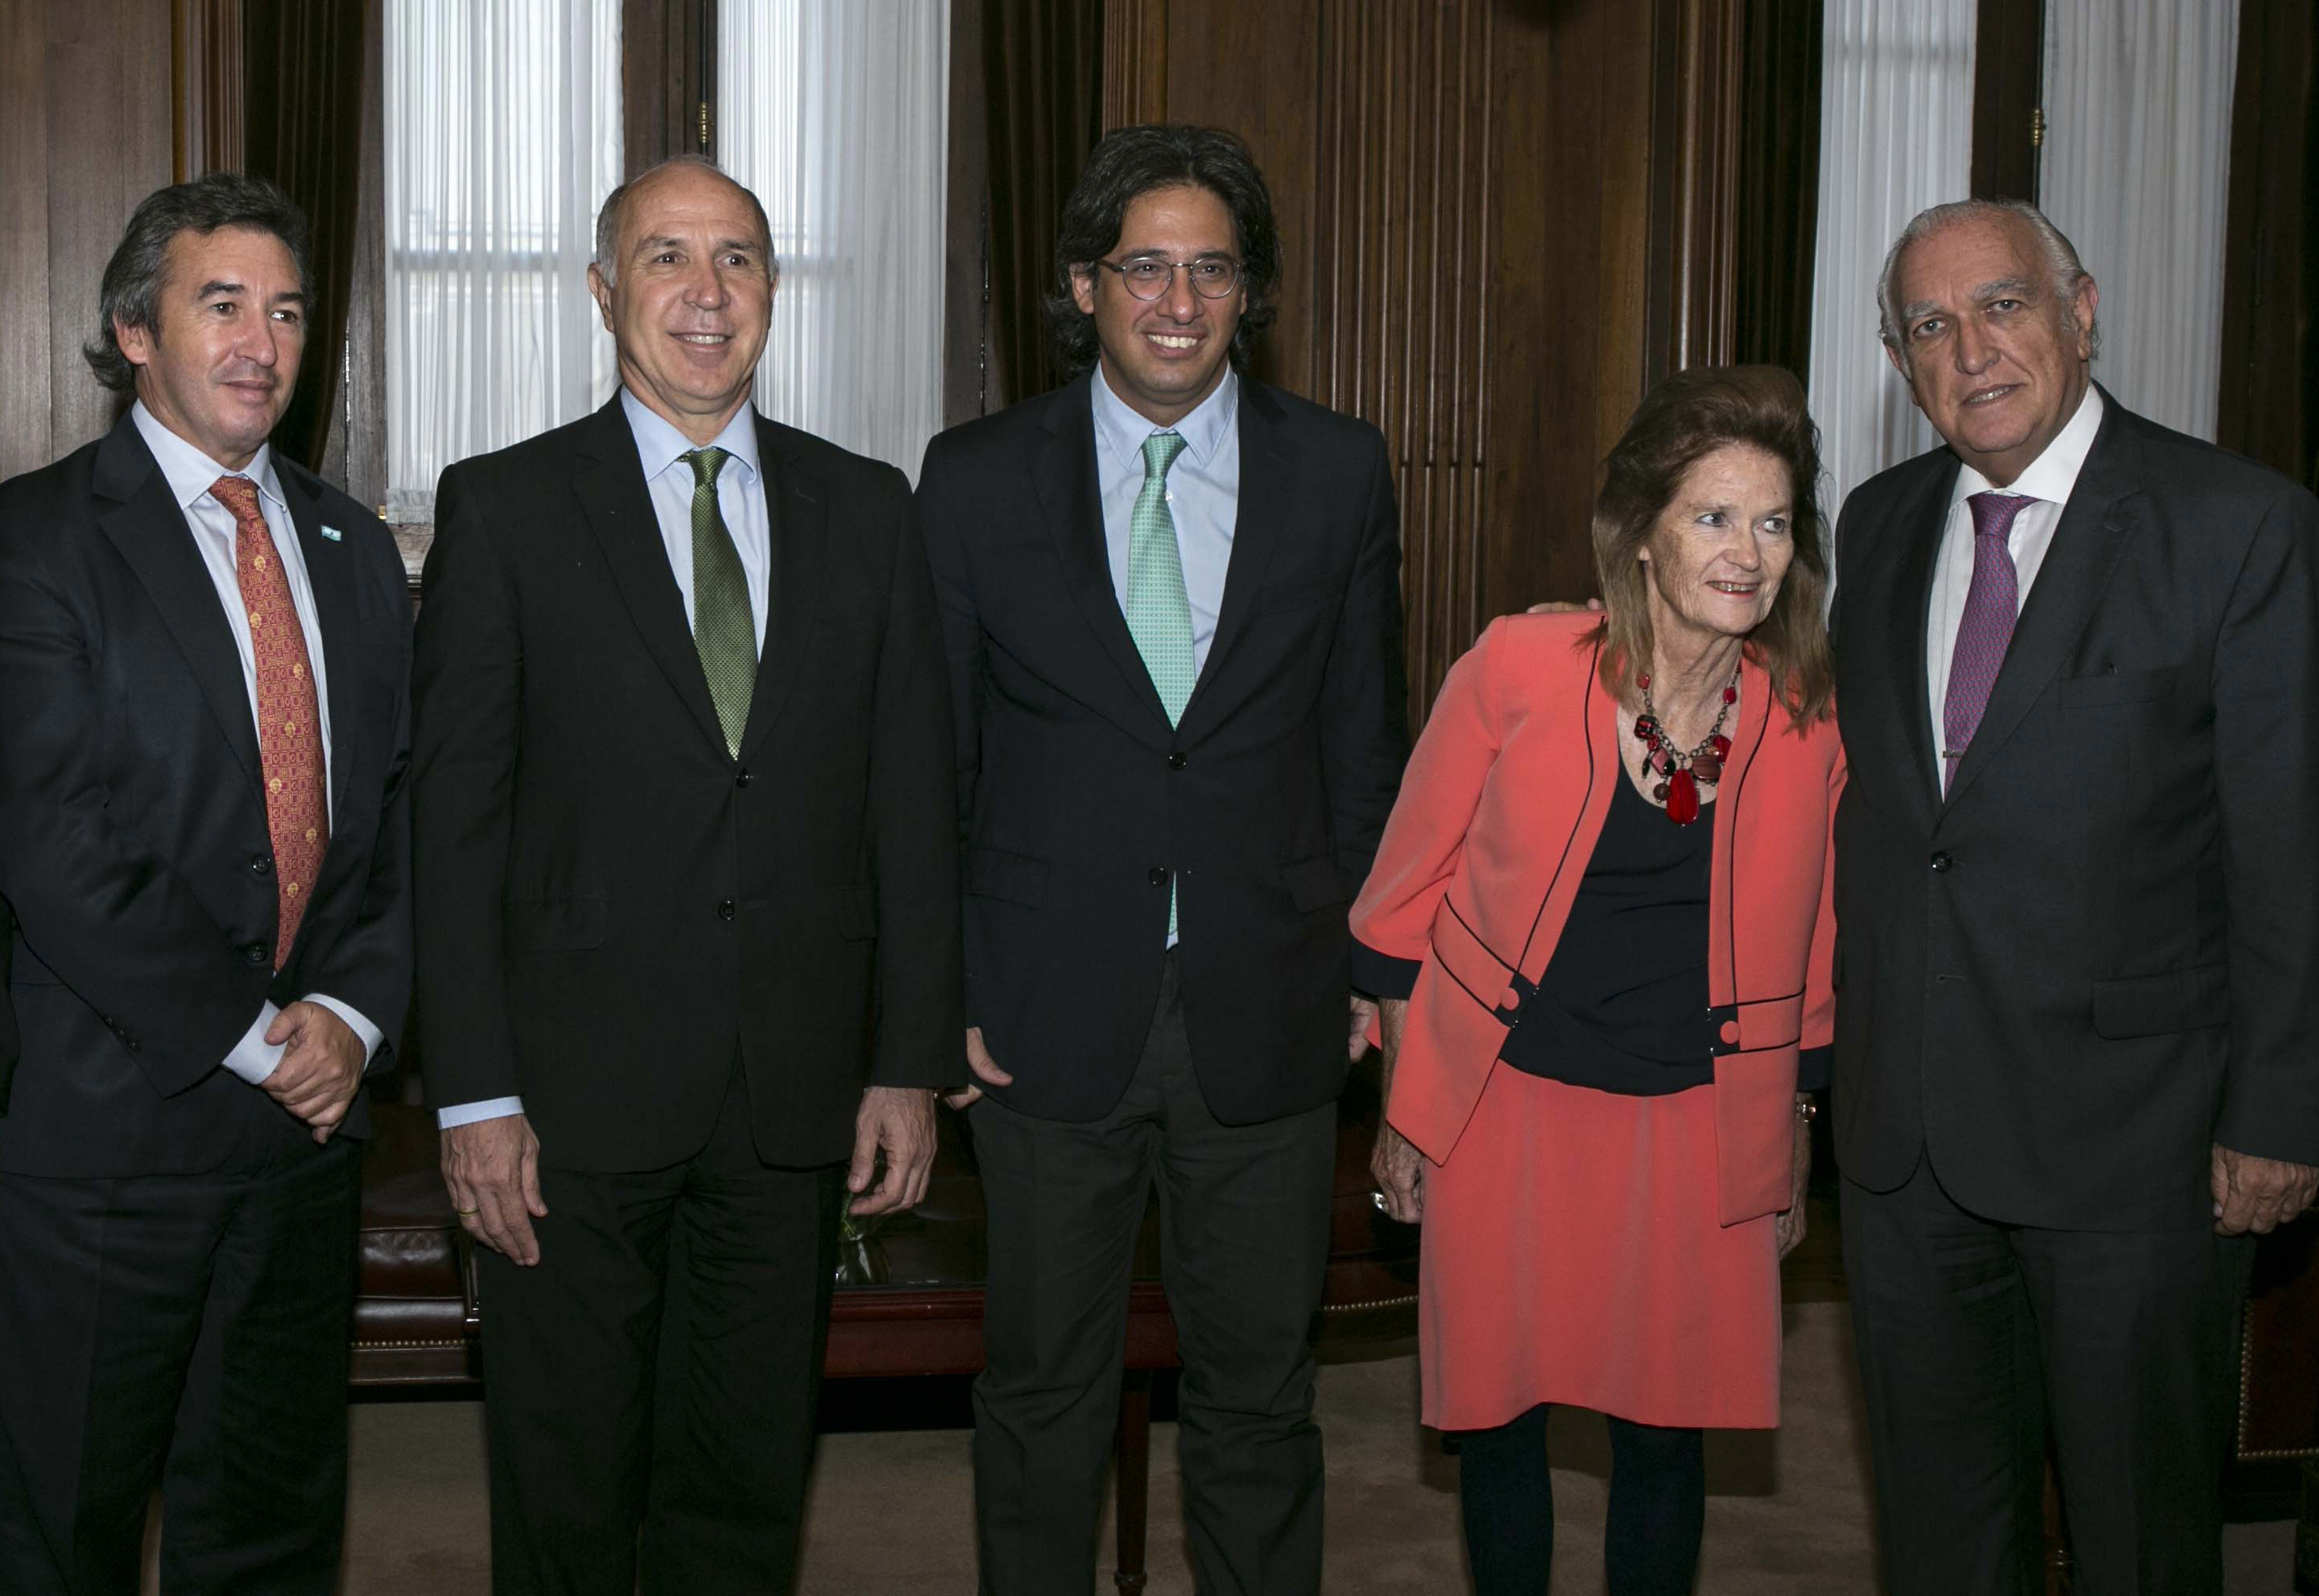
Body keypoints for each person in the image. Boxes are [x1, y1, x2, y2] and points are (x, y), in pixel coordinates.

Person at [412, 155, 961, 1594]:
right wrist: (472, 1093)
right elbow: (452, 828)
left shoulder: (868, 508)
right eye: (667, 257)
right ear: (605, 293)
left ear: (772, 291)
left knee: (742, 1486)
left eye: (738, 259)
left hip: (792, 1097)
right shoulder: (507, 507)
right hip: (565, 1105)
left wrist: (904, 1061)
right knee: (568, 1494)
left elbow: (911, 805)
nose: (706, 292)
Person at [917, 123, 1409, 1593]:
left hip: (1272, 1004)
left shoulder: (1338, 469)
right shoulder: (972, 477)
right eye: (1144, 267)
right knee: (1039, 1397)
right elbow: (931, 764)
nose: (1178, 302)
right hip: (1037, 1013)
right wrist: (938, 991)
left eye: (1211, 270)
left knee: (1260, 1399)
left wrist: (1374, 968)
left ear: (1250, 292)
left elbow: (1364, 744)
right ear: (1084, 285)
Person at [1830, 198, 2319, 1594]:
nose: (1970, 349)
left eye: (2001, 305)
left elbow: (2285, 844)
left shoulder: (2238, 525)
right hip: (1908, 1142)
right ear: (1899, 363)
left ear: (2080, 311)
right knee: (1939, 1538)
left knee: (2136, 1541)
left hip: (2138, 1149)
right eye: (1929, 326)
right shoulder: (1877, 522)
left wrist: (2279, 1113)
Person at [1355, 365, 1839, 1594]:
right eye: (1711, 516)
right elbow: (1400, 904)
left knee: (1664, 1436)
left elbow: (1816, 952)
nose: (1746, 553)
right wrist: (1407, 1112)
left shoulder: (1803, 720)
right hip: (1504, 1110)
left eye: (1772, 522)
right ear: (1639, 534)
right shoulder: (1520, 665)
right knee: (1498, 1424)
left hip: (1695, 1127)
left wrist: (1790, 1130)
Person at [0, 173, 413, 1594]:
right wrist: (256, 1040)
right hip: (110, 1142)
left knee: (272, 1538)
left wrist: (348, 1018)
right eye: (222, 304)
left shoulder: (354, 547)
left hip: (306, 1149)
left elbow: (395, 815)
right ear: (134, 330)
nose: (262, 342)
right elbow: (50, 840)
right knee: (64, 1535)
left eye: (287, 312)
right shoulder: (35, 541)